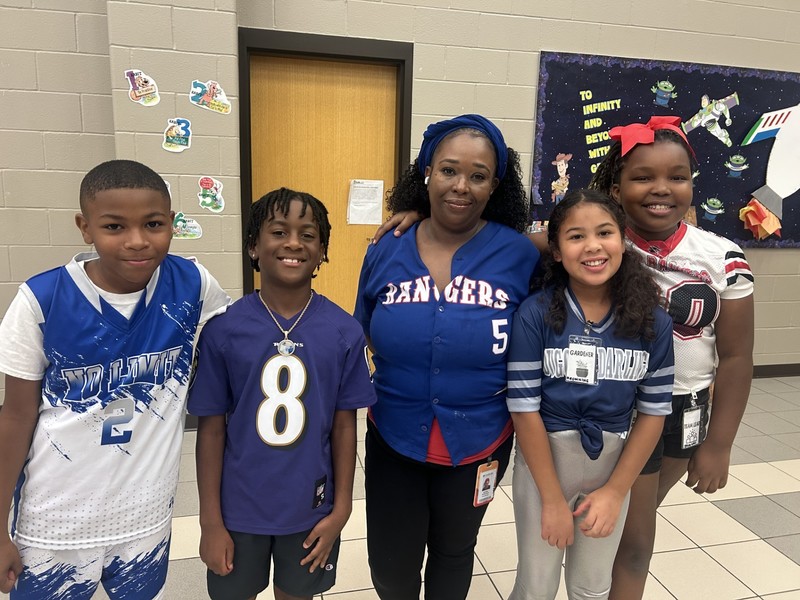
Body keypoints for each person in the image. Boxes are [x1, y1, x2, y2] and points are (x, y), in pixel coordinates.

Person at [0, 159, 230, 598]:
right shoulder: (41, 300)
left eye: (154, 223)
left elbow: (240, 338)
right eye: (114, 227)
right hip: (55, 523)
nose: (138, 241)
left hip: (145, 519)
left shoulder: (192, 284)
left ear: (172, 223)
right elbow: (14, 417)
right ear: (85, 228)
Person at [354, 113, 540, 600]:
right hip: (394, 434)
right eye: (448, 170)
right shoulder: (386, 248)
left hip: (481, 440)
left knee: (455, 554)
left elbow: (584, 239)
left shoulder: (521, 254)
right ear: (426, 174)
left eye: (478, 176)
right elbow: (361, 329)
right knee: (392, 570)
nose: (461, 186)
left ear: (495, 185)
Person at [587, 116, 754, 599]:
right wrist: (423, 217)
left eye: (676, 176)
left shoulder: (721, 257)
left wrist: (719, 444)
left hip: (685, 410)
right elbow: (511, 247)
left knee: (633, 519)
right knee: (634, 537)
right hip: (619, 406)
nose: (661, 189)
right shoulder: (599, 242)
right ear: (616, 188)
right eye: (643, 176)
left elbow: (738, 356)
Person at [188, 188, 376, 600]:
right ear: (254, 246)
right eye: (278, 232)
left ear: (323, 250)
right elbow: (212, 430)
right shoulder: (223, 331)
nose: (293, 243)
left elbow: (345, 427)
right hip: (237, 509)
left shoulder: (344, 332)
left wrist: (341, 509)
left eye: (308, 235)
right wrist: (210, 522)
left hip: (311, 508)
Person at [506, 189, 674, 600]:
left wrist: (616, 492)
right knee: (537, 586)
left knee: (592, 586)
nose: (593, 246)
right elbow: (524, 410)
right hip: (545, 463)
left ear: (623, 241)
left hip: (611, 465)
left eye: (604, 232)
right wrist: (551, 500)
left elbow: (653, 413)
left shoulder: (652, 321)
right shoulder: (536, 314)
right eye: (576, 236)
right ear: (558, 251)